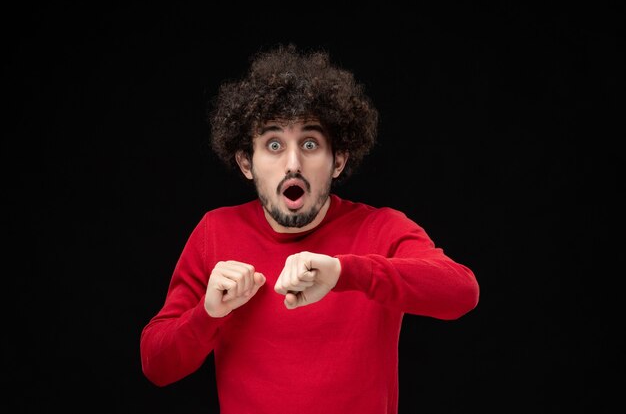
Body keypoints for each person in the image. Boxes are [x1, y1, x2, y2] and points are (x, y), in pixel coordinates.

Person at [140, 43, 480, 414]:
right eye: (273, 144)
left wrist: (344, 272)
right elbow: (156, 365)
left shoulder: (381, 228)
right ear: (246, 163)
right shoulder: (214, 231)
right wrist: (207, 314)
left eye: (310, 143)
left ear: (338, 161)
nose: (292, 163)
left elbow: (460, 291)